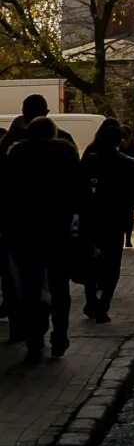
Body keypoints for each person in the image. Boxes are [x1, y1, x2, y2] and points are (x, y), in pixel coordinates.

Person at [5, 117, 81, 363]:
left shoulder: (17, 154)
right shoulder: (66, 154)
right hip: (58, 231)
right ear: (53, 133)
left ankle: (34, 343)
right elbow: (77, 193)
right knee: (60, 287)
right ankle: (60, 336)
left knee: (31, 287)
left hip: (26, 232)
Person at [78, 119, 134, 324]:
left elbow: (77, 190)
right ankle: (103, 306)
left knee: (90, 264)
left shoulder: (89, 160)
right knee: (112, 265)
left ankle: (90, 302)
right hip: (116, 221)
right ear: (120, 141)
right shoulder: (128, 163)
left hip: (90, 219)